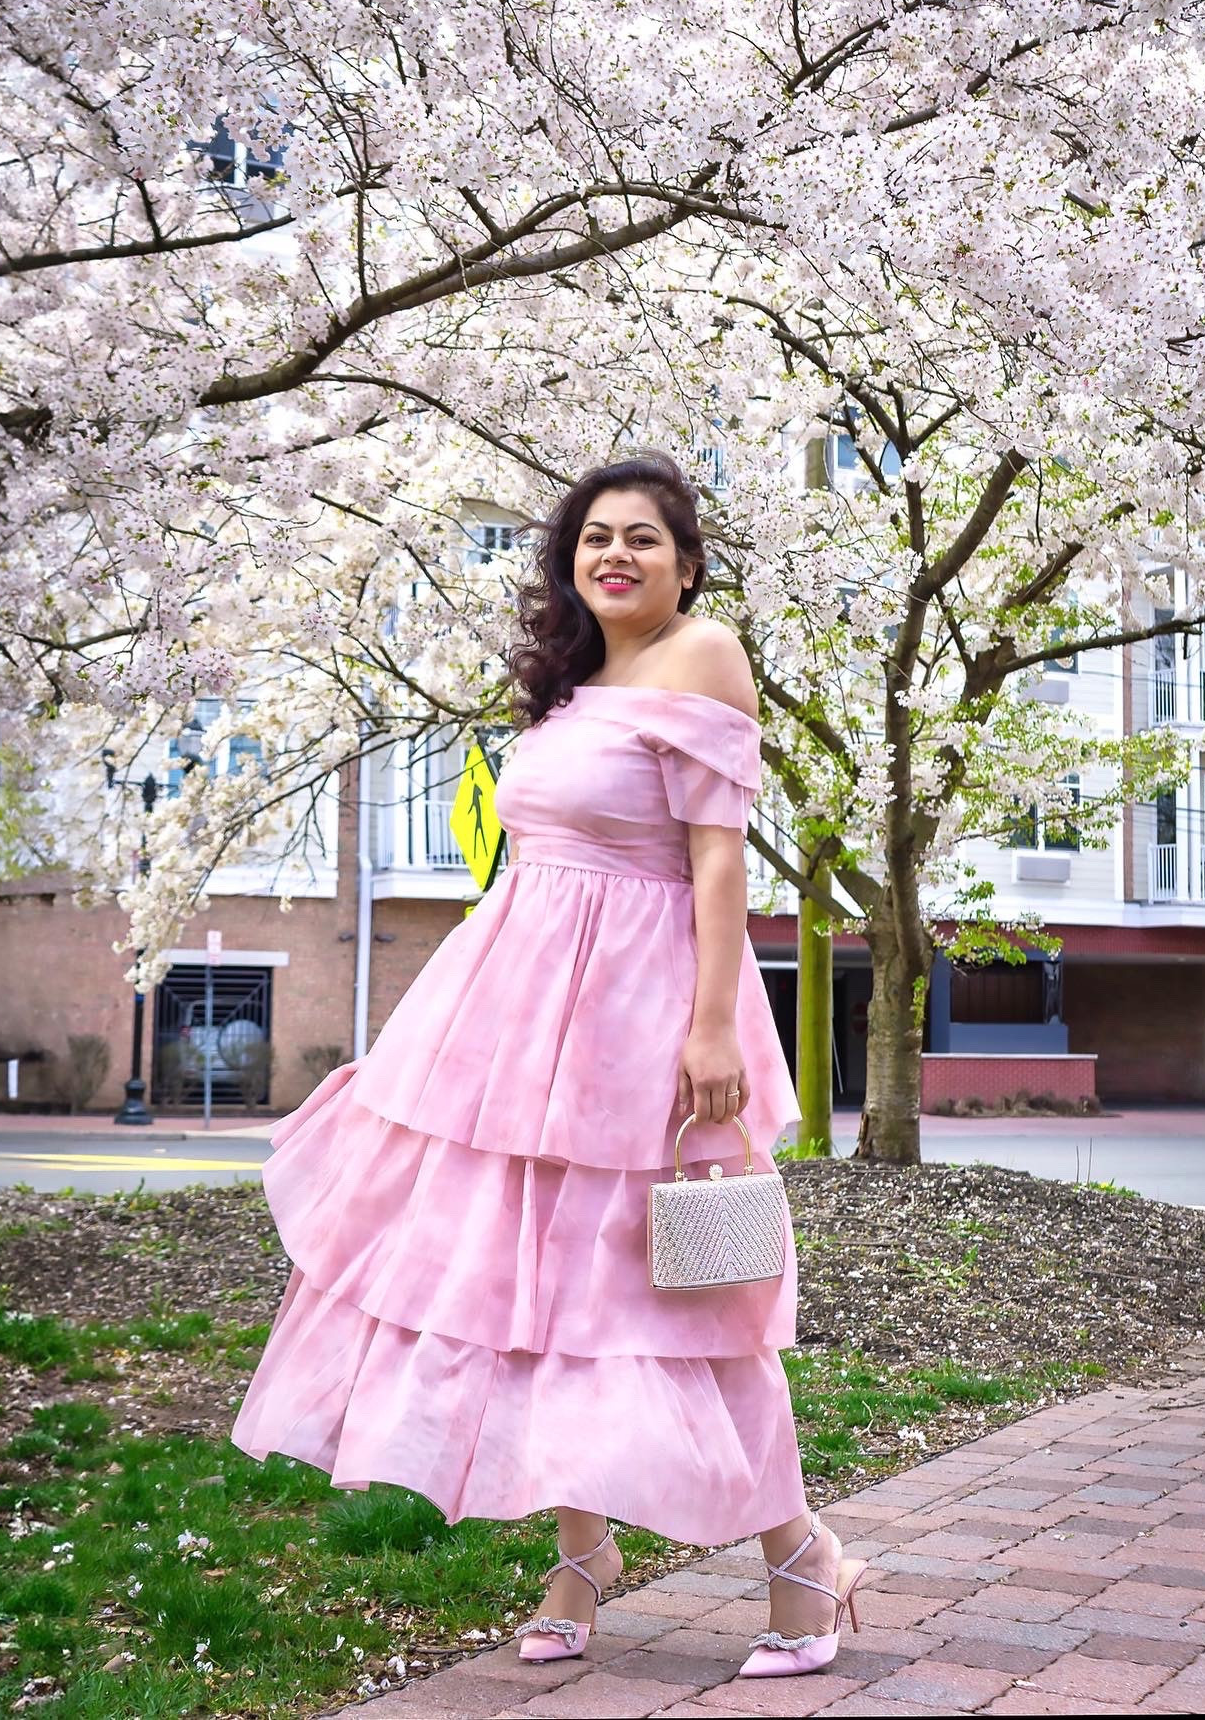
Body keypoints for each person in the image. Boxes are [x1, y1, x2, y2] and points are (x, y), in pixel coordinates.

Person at [230, 451, 868, 1679]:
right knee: (534, 1297)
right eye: (592, 539)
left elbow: (720, 864)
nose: (614, 555)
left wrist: (715, 1028)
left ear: (687, 564)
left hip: (641, 1021)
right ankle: (583, 1557)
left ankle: (804, 1568)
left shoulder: (702, 653)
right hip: (516, 1020)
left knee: (677, 1307)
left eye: (642, 538)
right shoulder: (574, 682)